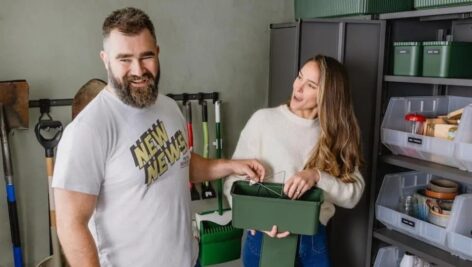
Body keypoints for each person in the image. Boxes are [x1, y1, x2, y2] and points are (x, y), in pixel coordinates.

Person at [52, 7, 265, 267]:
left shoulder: (168, 107)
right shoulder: (89, 130)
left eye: (146, 56)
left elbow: (181, 164)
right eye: (125, 59)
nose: (138, 70)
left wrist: (232, 165)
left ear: (158, 53)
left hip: (190, 259)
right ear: (105, 59)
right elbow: (71, 225)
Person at [224, 55, 365, 267]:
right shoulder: (263, 121)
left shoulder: (336, 135)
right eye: (299, 77)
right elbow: (231, 181)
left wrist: (317, 176)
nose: (297, 88)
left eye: (310, 85)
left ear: (327, 96)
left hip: (313, 240)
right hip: (264, 238)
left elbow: (353, 195)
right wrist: (253, 218)